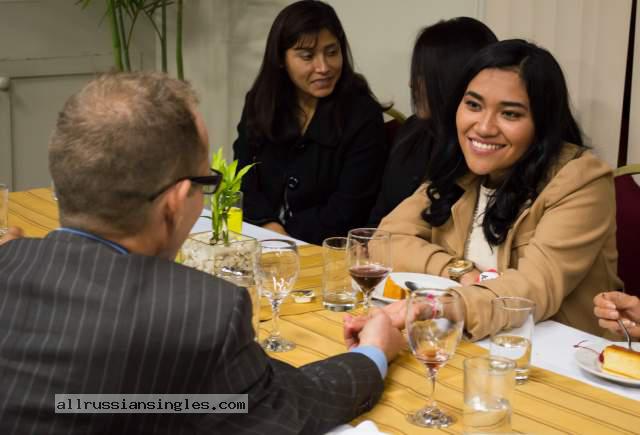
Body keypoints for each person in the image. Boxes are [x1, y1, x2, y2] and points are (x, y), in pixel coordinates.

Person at [0, 73, 403, 435]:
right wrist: (373, 352)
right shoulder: (202, 311)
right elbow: (284, 410)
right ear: (174, 204)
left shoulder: (8, 264)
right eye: (205, 181)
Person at [378, 39, 622, 340]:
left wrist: (444, 307)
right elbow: (385, 241)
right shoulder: (465, 167)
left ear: (542, 123)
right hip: (475, 343)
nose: (483, 127)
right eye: (473, 105)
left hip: (558, 359)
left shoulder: (582, 179)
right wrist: (458, 271)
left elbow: (533, 288)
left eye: (510, 114)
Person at [233, 0, 387, 245]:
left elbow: (350, 207)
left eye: (332, 52)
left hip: (323, 248)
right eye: (307, 56)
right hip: (259, 236)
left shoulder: (362, 115)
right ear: (281, 59)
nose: (323, 67)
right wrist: (268, 227)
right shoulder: (260, 101)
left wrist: (283, 238)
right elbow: (241, 176)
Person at [368, 17, 497, 226]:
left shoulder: (482, 150)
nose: (411, 84)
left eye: (423, 76)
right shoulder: (411, 131)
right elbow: (380, 216)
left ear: (451, 79)